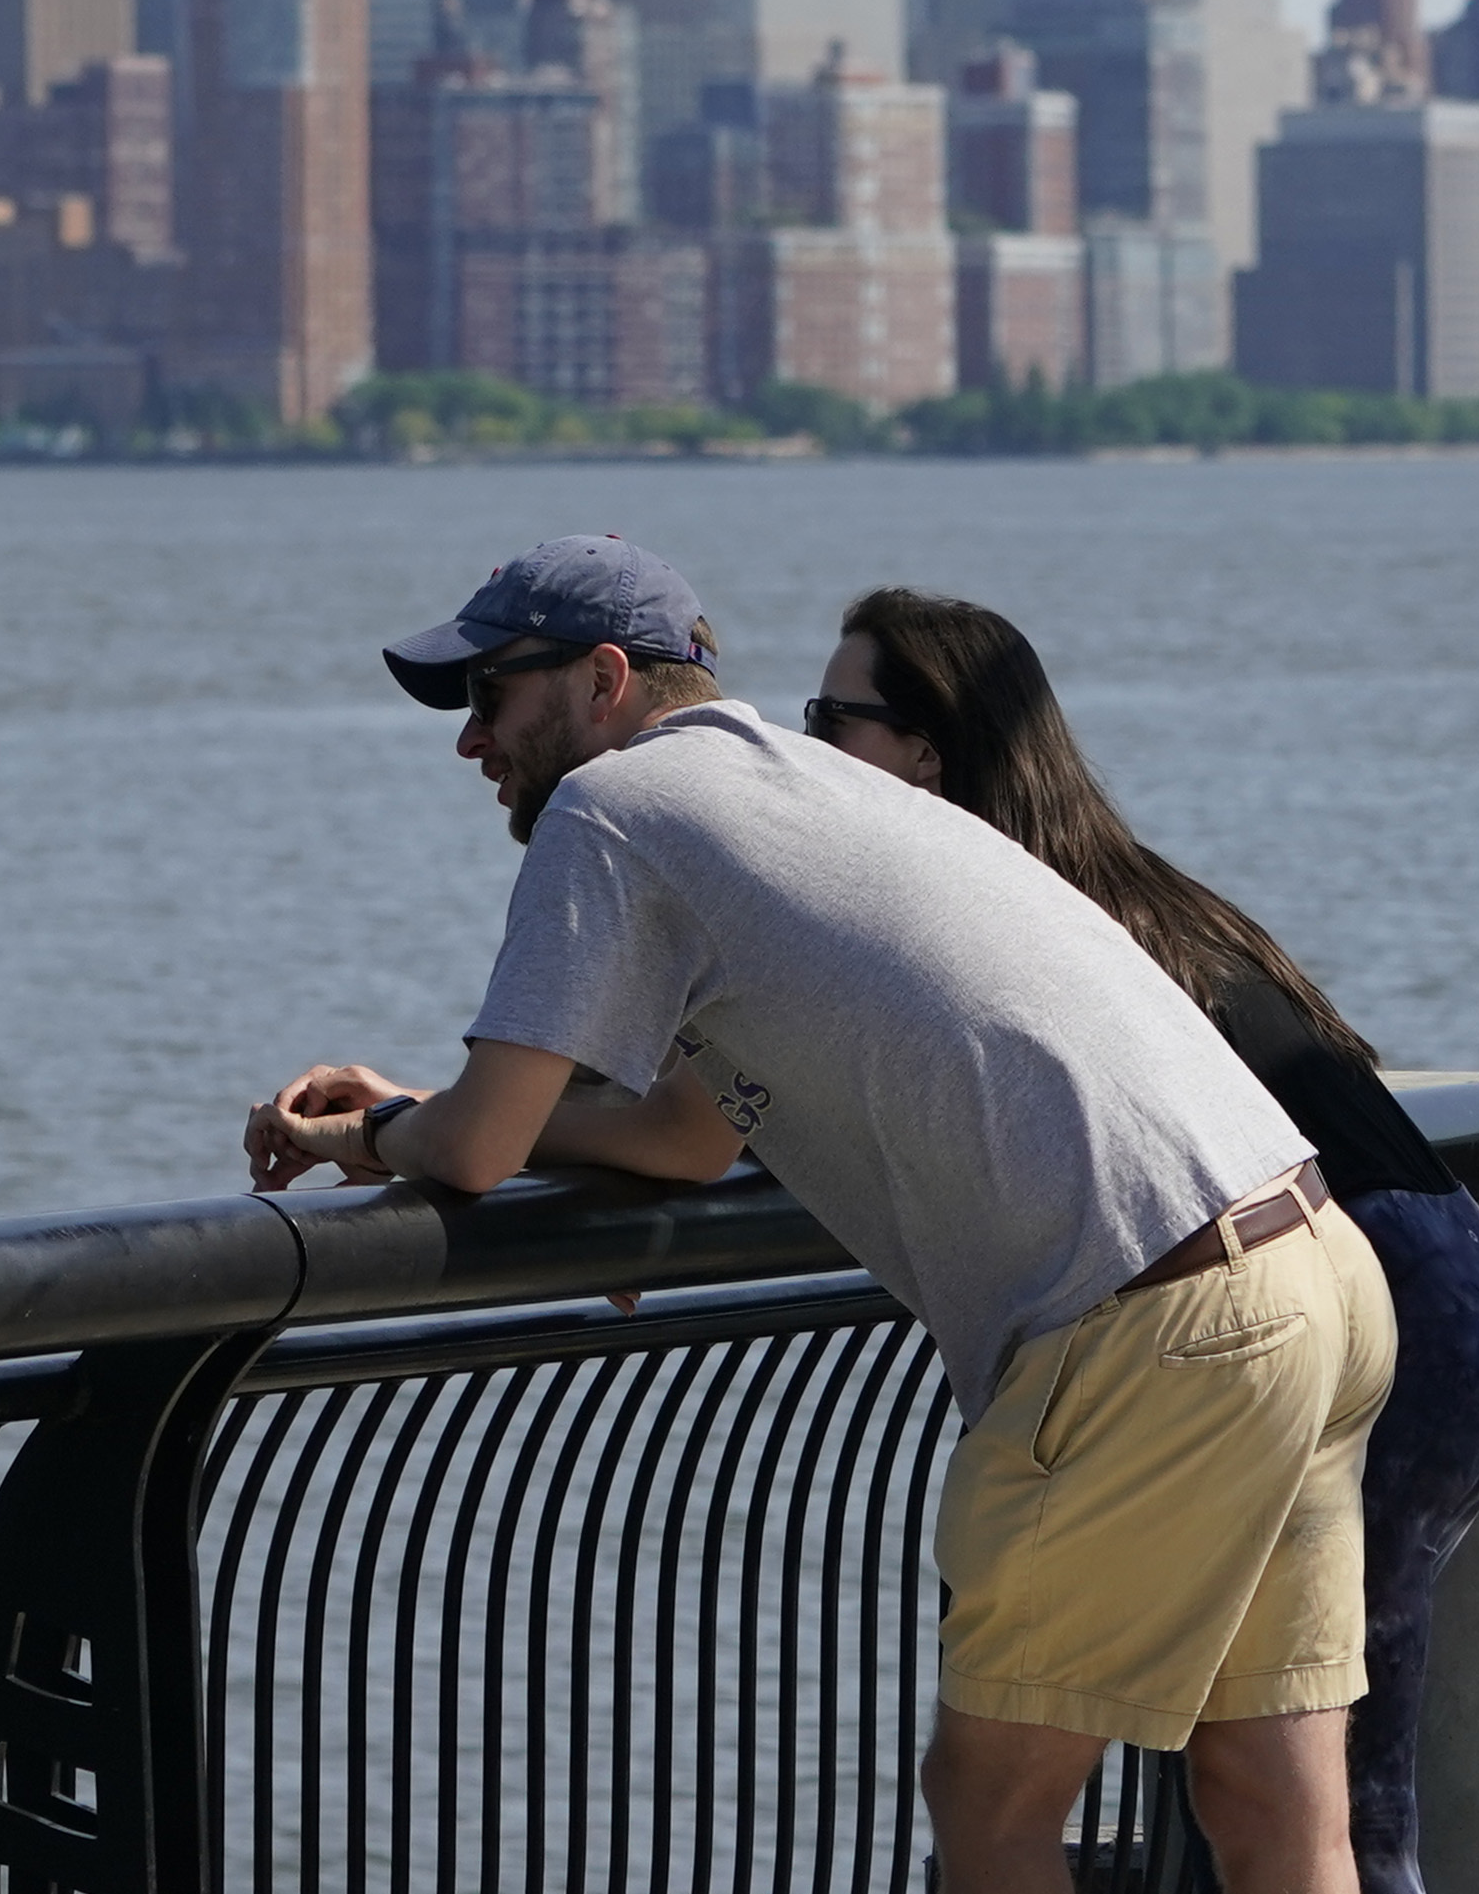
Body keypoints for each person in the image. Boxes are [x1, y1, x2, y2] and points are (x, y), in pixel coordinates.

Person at [245, 534, 1393, 1894]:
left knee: (991, 1803)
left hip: (1155, 1326)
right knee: (1274, 1810)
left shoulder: (608, 810)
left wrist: (377, 1131)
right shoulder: (802, 794)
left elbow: (479, 1150)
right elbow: (677, 1133)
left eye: (489, 696)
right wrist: (438, 1104)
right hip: (1309, 1268)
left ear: (602, 679)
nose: (470, 740)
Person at [806, 588, 1479, 1894]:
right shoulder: (1126, 896)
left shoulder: (1020, 923)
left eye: (829, 720)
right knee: (1285, 1801)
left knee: (1297, 1812)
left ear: (924, 748)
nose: (806, 756)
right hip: (1436, 1286)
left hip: (1322, 1305)